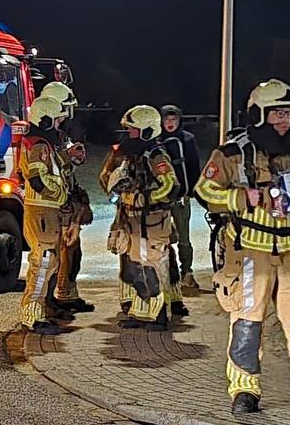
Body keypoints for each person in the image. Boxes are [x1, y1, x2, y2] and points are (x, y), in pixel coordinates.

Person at [195, 79, 290, 416]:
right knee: (247, 327)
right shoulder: (233, 152)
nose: (284, 120)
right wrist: (243, 196)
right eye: (276, 113)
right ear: (260, 114)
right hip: (250, 256)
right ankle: (244, 390)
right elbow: (204, 191)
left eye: (288, 113)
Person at [101, 105, 188, 330]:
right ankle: (142, 312)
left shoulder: (156, 155)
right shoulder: (133, 154)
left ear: (146, 131)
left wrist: (146, 198)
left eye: (132, 130)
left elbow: (170, 185)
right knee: (139, 266)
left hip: (152, 221)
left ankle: (159, 313)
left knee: (154, 266)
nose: (128, 134)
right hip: (134, 221)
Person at [39, 82, 95, 316]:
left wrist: (75, 153)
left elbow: (65, 161)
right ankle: (49, 302)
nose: (67, 115)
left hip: (66, 199)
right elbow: (48, 166)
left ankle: (66, 296)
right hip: (54, 204)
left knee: (72, 253)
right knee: (56, 256)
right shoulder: (43, 137)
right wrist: (66, 155)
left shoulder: (58, 135)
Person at [16, 95, 71, 335]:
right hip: (42, 209)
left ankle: (36, 313)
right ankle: (32, 316)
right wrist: (60, 192)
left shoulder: (40, 143)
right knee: (43, 263)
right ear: (47, 119)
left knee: (48, 263)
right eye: (57, 119)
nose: (60, 123)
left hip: (45, 210)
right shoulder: (38, 144)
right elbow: (38, 180)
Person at [160, 104, 202, 295]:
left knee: (184, 237)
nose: (170, 123)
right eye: (167, 120)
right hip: (160, 198)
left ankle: (187, 271)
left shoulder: (187, 139)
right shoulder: (156, 139)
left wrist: (192, 189)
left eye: (174, 120)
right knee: (161, 237)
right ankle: (166, 272)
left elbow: (194, 165)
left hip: (181, 195)